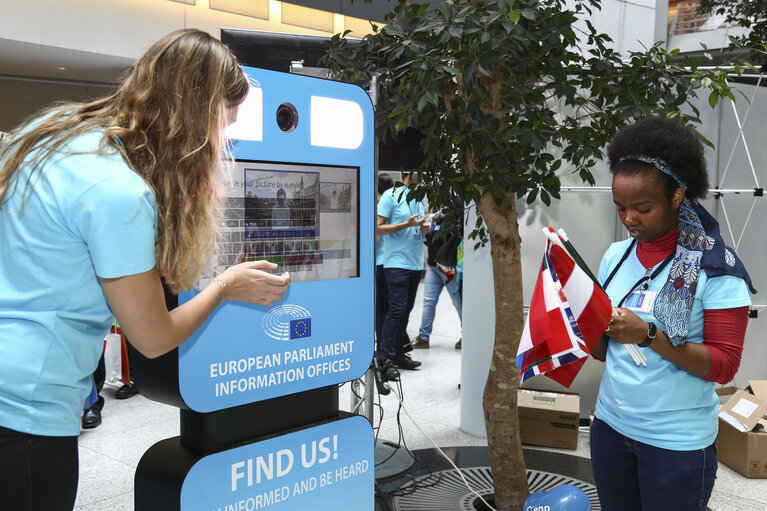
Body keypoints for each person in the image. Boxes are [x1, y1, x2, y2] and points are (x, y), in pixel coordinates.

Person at [0, 29, 290, 510]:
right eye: (222, 126)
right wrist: (224, 286)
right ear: (195, 118)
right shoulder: (121, 194)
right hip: (25, 414)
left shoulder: (53, 132)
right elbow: (152, 338)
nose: (221, 146)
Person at [590, 116, 755, 511]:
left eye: (642, 208)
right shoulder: (616, 256)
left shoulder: (718, 269)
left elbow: (724, 367)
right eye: (620, 207)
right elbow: (603, 352)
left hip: (676, 445)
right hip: (611, 429)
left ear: (678, 196)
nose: (629, 219)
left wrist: (649, 335)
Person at [376, 171, 429, 379]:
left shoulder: (420, 196)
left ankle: (398, 354)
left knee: (406, 311)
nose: (423, 174)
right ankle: (385, 358)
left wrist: (424, 228)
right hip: (395, 263)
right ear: (408, 172)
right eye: (419, 170)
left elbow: (419, 226)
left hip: (415, 263)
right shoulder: (391, 195)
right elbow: (378, 228)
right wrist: (407, 224)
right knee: (396, 310)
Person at [410, 195, 463, 350]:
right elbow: (431, 240)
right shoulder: (437, 218)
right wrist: (427, 234)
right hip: (433, 266)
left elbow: (443, 239)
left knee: (459, 304)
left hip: (448, 269)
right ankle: (423, 337)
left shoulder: (456, 220)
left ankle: (467, 335)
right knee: (428, 302)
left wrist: (431, 233)